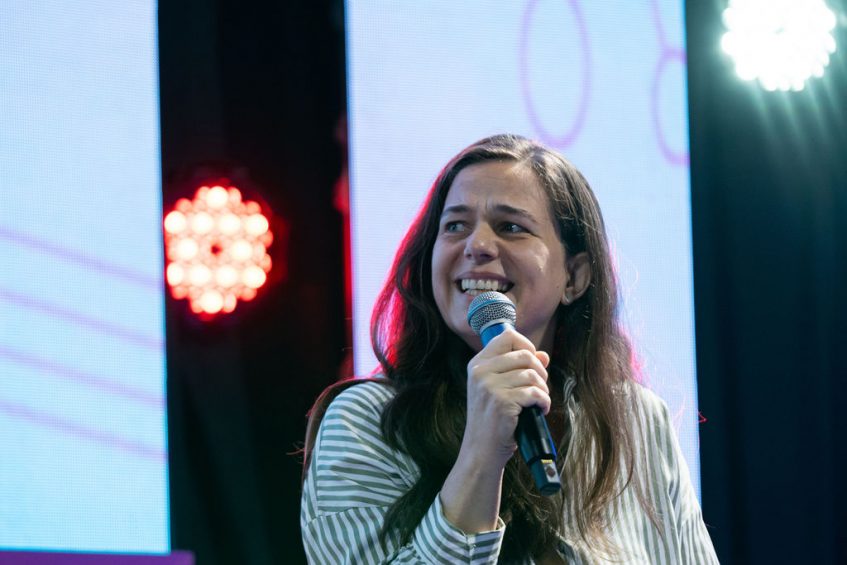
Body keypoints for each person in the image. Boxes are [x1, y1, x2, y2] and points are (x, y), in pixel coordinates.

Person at [300, 134, 718, 564]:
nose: (476, 245)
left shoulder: (637, 420)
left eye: (511, 227)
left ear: (574, 277)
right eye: (455, 226)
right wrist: (482, 450)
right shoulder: (365, 421)